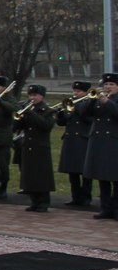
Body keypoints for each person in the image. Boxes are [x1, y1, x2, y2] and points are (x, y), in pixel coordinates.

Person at [78, 72, 118, 220]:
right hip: (98, 141)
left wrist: (107, 102)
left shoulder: (112, 100)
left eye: (112, 84)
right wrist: (91, 100)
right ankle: (105, 208)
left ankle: (115, 208)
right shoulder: (97, 99)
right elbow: (83, 114)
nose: (108, 87)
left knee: (115, 178)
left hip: (114, 141)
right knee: (102, 177)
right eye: (106, 84)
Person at [14, 85, 55, 213]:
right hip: (27, 146)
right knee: (29, 175)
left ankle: (43, 202)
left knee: (41, 176)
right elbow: (17, 126)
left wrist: (31, 113)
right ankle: (34, 201)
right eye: (30, 95)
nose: (32, 98)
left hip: (41, 147)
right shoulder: (27, 109)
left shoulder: (48, 110)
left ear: (42, 96)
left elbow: (46, 126)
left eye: (35, 95)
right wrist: (19, 117)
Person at [57, 80, 94, 208]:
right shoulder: (71, 104)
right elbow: (62, 122)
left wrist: (75, 108)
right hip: (70, 140)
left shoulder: (90, 103)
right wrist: (61, 113)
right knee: (72, 171)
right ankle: (75, 197)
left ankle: (86, 198)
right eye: (74, 91)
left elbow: (90, 119)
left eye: (78, 91)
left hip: (83, 140)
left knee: (85, 172)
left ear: (85, 92)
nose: (75, 93)